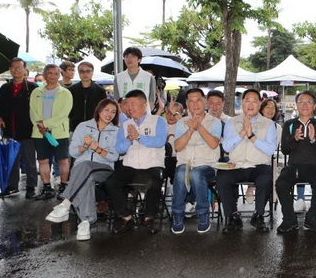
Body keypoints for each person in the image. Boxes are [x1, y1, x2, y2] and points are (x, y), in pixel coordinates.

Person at [45, 98, 120, 241]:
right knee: (86, 177)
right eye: (106, 110)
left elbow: (114, 157)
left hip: (104, 169)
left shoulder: (116, 131)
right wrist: (85, 146)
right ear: (99, 110)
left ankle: (65, 204)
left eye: (113, 111)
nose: (109, 114)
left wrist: (97, 149)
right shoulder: (83, 126)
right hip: (82, 169)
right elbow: (73, 152)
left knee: (85, 169)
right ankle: (85, 223)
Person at [104, 89, 168, 234]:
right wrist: (129, 139)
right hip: (131, 164)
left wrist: (139, 137)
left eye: (133, 103)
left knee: (155, 182)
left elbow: (160, 142)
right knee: (111, 183)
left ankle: (149, 218)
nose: (129, 107)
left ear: (144, 104)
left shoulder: (158, 121)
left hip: (152, 163)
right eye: (127, 104)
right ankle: (126, 216)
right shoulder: (125, 124)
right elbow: (119, 149)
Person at [216, 89, 276, 233]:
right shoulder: (231, 122)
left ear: (260, 104)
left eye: (254, 101)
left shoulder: (268, 124)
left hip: (258, 165)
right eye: (247, 100)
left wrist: (252, 136)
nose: (250, 104)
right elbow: (227, 147)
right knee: (222, 179)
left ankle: (258, 216)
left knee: (265, 178)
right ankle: (233, 217)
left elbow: (270, 150)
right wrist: (243, 132)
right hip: (236, 165)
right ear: (242, 103)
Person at [276, 91, 316, 234]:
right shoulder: (289, 124)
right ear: (296, 105)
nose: (305, 105)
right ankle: (289, 219)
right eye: (301, 102)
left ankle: (312, 219)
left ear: (314, 105)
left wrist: (313, 140)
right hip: (294, 166)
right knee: (281, 184)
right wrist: (294, 139)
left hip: (314, 166)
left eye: (309, 102)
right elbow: (285, 150)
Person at [170, 88, 221, 234]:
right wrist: (190, 130)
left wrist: (199, 127)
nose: (195, 104)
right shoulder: (181, 123)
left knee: (196, 173)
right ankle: (177, 214)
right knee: (181, 173)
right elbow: (178, 147)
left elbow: (213, 144)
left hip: (207, 166)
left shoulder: (215, 122)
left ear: (204, 101)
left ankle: (203, 213)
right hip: (185, 164)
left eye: (198, 100)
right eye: (191, 101)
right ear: (187, 104)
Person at [0, 57, 39, 199]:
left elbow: (38, 108)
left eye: (19, 67)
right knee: (11, 159)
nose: (16, 70)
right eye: (13, 67)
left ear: (25, 70)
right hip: (8, 129)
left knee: (29, 160)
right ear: (10, 69)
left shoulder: (32, 88)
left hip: (27, 130)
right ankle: (12, 186)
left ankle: (31, 186)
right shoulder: (5, 88)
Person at [30, 64, 73, 200]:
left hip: (60, 132)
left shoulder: (65, 93)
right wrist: (40, 125)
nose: (52, 76)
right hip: (39, 132)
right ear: (44, 74)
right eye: (49, 73)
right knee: (43, 160)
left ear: (59, 75)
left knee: (63, 160)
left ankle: (64, 187)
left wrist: (46, 124)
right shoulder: (36, 92)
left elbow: (64, 113)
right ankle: (47, 188)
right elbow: (32, 111)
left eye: (55, 73)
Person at [68, 61, 108, 132]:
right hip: (75, 127)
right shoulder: (71, 90)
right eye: (82, 71)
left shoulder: (100, 90)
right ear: (78, 73)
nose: (85, 74)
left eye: (88, 71)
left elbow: (103, 109)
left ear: (92, 72)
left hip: (94, 127)